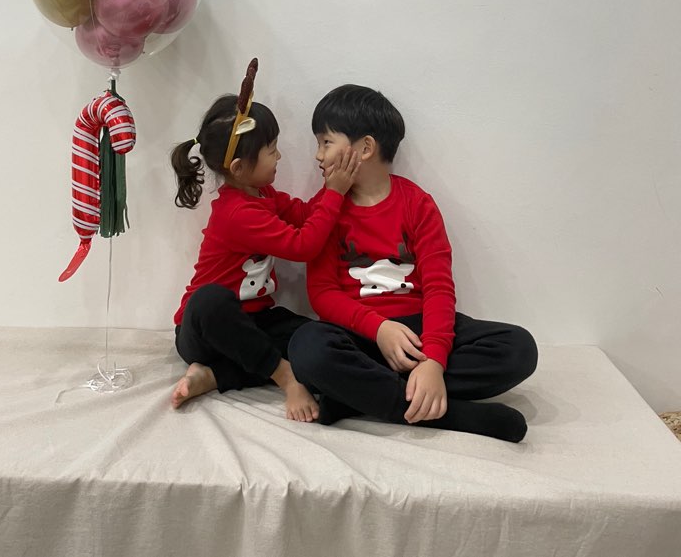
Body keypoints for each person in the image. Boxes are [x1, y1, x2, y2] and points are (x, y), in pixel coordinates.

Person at [288, 84, 538, 442]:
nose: (318, 155)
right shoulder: (325, 208)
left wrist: (433, 360)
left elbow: (438, 287)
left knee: (519, 348)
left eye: (326, 142)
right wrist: (380, 329)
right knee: (307, 346)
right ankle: (452, 414)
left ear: (365, 148)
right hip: (360, 334)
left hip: (419, 332)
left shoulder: (417, 204)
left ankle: (356, 397)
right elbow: (322, 294)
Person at [170, 75, 359, 421]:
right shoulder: (237, 213)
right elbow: (303, 246)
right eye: (271, 150)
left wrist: (332, 184)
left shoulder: (263, 194)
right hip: (205, 331)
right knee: (212, 300)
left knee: (315, 337)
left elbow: (304, 215)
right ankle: (285, 377)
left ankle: (214, 376)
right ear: (239, 168)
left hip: (253, 323)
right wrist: (336, 193)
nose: (279, 156)